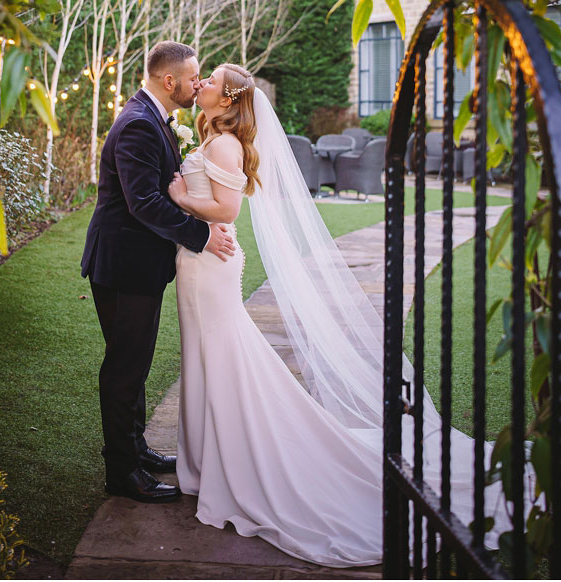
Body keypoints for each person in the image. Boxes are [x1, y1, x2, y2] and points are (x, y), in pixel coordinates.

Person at [162, 62, 505, 567]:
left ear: (230, 99)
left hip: (211, 264)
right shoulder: (214, 137)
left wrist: (176, 196)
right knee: (206, 353)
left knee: (220, 351)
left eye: (211, 80)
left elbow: (228, 210)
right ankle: (202, 461)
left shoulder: (226, 145)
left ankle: (228, 459)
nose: (203, 85)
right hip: (200, 262)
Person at [80, 40, 238, 505]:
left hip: (138, 265)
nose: (198, 83)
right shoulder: (137, 126)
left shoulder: (154, 119)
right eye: (194, 77)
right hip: (124, 266)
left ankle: (136, 449)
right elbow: (143, 202)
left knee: (135, 362)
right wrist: (201, 234)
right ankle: (122, 472)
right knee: (125, 368)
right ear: (170, 81)